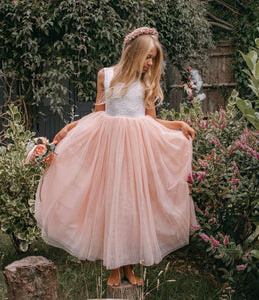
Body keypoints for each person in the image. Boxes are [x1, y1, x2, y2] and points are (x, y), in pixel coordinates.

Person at [35, 27, 198, 287]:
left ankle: (129, 267)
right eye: (148, 57)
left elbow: (151, 121)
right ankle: (113, 267)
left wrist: (177, 124)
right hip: (109, 149)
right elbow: (98, 113)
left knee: (131, 206)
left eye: (154, 58)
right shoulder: (106, 75)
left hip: (136, 151)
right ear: (134, 53)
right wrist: (69, 128)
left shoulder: (146, 81)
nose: (151, 63)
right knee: (111, 203)